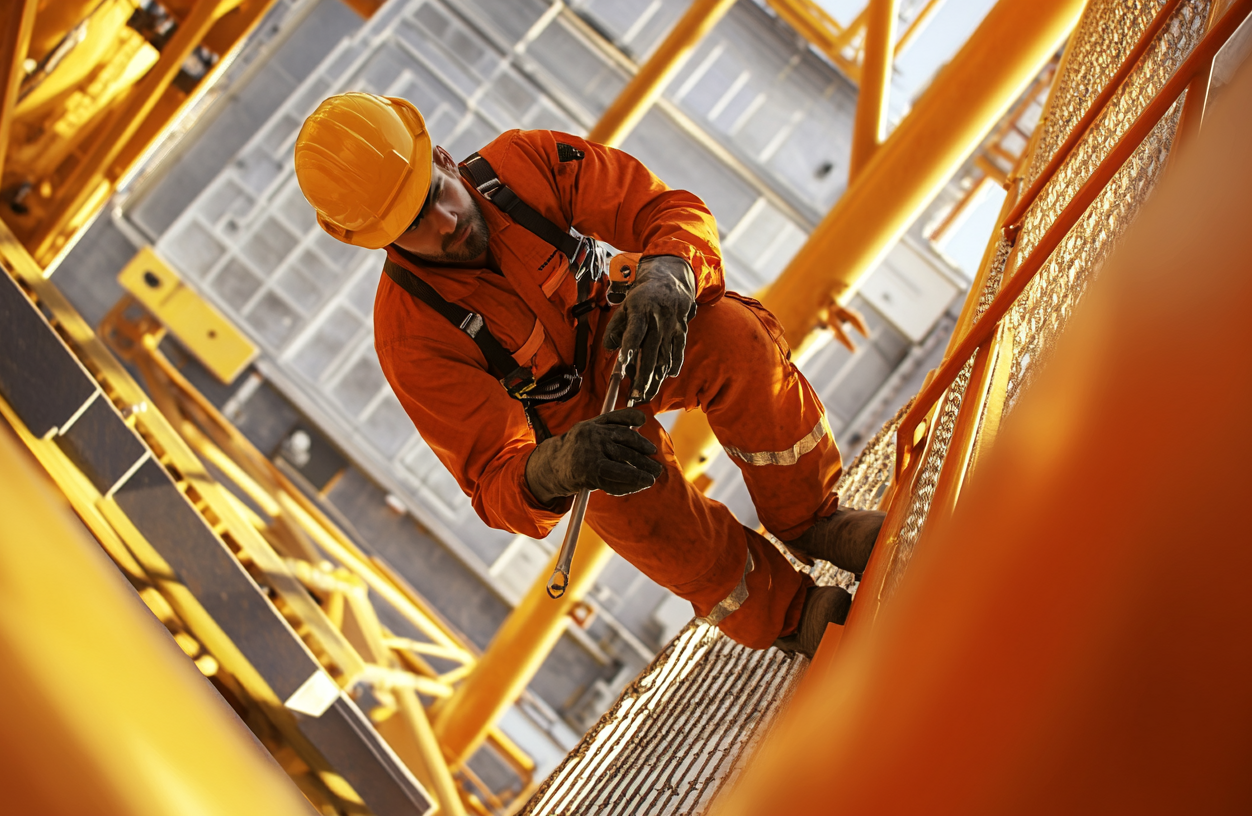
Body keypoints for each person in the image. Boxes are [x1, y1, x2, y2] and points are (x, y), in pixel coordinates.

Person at [292, 93, 882, 656]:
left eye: (437, 193)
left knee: (734, 338)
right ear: (380, 243)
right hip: (572, 430)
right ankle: (793, 615)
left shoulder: (525, 163)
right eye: (415, 224)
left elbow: (664, 210)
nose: (445, 222)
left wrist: (670, 275)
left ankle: (813, 521)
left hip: (630, 323)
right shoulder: (411, 336)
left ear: (443, 158)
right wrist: (556, 468)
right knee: (638, 512)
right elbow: (492, 479)